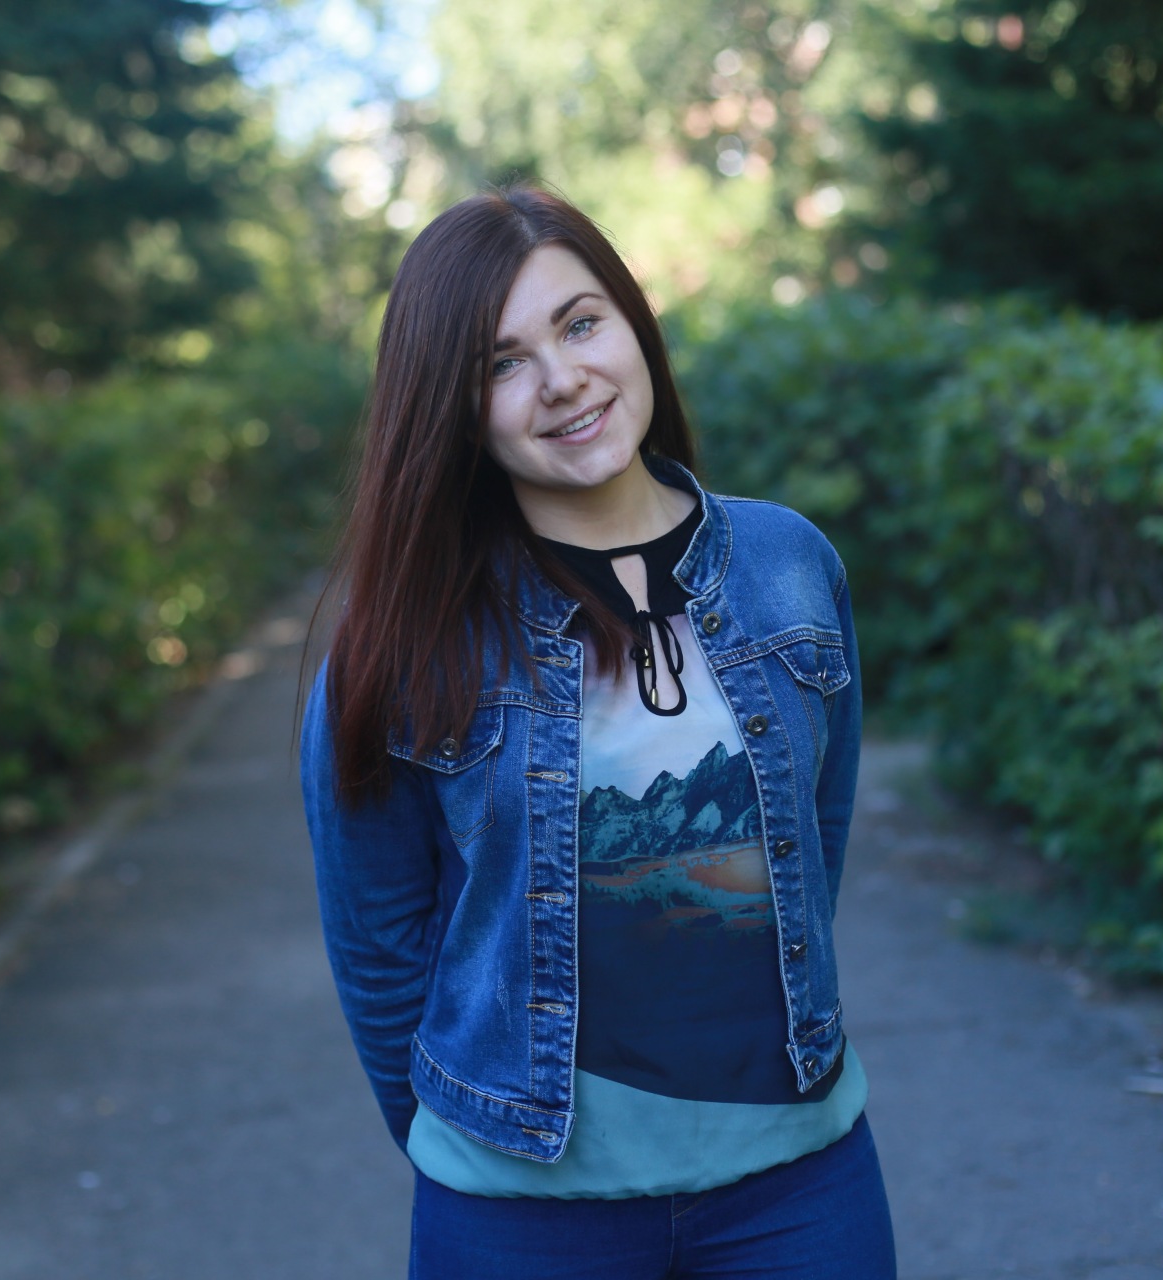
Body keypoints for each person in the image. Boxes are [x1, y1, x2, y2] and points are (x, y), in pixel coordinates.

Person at [299, 185, 896, 1279]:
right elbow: (379, 946)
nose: (563, 378)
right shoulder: (408, 642)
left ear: (634, 324)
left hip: (800, 1186)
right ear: (454, 409)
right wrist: (469, 1137)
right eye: (502, 362)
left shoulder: (788, 563)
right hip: (519, 1215)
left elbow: (818, 835)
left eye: (581, 324)